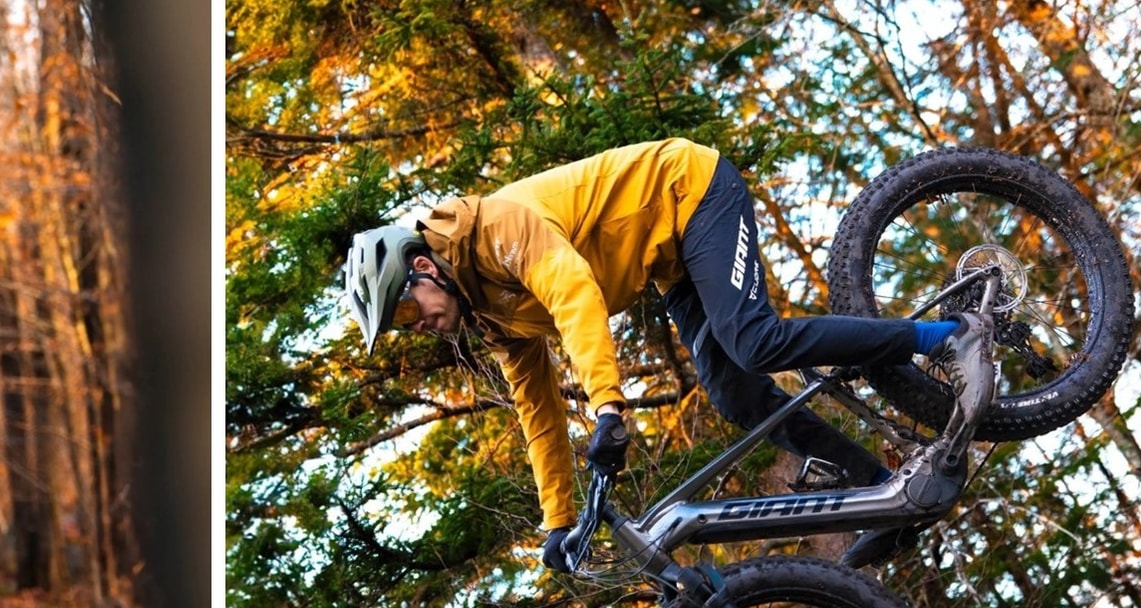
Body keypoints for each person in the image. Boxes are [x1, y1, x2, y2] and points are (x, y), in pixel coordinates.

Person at [343, 138, 990, 570]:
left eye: (406, 311)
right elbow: (536, 408)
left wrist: (608, 407)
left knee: (754, 340)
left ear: (423, 267)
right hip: (671, 261)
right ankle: (881, 490)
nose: (417, 327)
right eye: (402, 327)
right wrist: (557, 521)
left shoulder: (495, 228)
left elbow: (572, 292)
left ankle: (946, 336)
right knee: (736, 395)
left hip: (690, 190)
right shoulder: (489, 315)